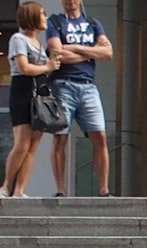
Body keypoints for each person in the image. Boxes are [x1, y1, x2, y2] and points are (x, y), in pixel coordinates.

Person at [46, 0, 113, 197]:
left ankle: (103, 190)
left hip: (88, 86)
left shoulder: (93, 23)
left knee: (99, 136)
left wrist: (74, 47)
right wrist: (91, 52)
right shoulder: (55, 22)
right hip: (62, 84)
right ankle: (60, 189)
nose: (70, 1)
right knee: (60, 137)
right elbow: (57, 54)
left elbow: (108, 52)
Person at [0, 1, 62, 198]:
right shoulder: (18, 39)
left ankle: (20, 189)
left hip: (38, 93)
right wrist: (47, 66)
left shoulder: (38, 43)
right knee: (22, 143)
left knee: (33, 145)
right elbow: (24, 67)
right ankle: (6, 186)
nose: (45, 17)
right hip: (22, 92)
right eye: (42, 14)